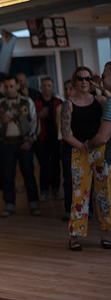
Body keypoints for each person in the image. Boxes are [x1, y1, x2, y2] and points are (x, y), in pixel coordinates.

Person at [61, 66, 111, 251]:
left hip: (100, 151)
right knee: (80, 195)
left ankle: (106, 234)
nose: (83, 81)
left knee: (104, 194)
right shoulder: (68, 104)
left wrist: (101, 87)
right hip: (80, 151)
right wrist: (83, 147)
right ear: (75, 81)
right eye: (80, 78)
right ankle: (75, 236)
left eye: (87, 78)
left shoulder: (100, 99)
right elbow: (66, 133)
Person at [0, 75, 41, 217]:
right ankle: (10, 204)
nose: (9, 89)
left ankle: (34, 203)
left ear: (18, 86)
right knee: (7, 175)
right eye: (6, 86)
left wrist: (30, 140)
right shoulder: (0, 103)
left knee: (28, 173)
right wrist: (2, 120)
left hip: (24, 142)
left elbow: (35, 122)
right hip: (7, 144)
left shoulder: (26, 102)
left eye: (11, 86)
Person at [32, 77, 63, 202]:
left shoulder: (58, 102)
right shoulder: (35, 103)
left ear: (53, 87)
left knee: (56, 165)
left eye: (49, 85)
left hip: (56, 138)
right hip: (41, 139)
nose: (46, 88)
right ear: (40, 88)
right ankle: (44, 191)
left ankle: (55, 189)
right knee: (44, 165)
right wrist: (38, 116)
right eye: (44, 85)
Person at [61, 79, 76, 221]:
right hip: (67, 145)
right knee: (68, 178)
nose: (68, 92)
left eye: (71, 88)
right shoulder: (62, 107)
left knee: (84, 179)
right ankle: (68, 209)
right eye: (66, 89)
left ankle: (87, 209)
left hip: (82, 145)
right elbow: (62, 133)